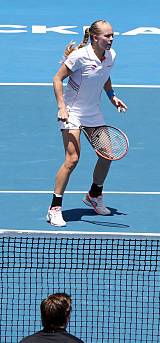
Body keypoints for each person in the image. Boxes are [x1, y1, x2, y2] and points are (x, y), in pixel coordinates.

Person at [48, 19, 128, 227]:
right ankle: (54, 208)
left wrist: (112, 96)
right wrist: (61, 107)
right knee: (72, 159)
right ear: (95, 37)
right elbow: (57, 79)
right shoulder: (79, 57)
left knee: (107, 155)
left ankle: (94, 194)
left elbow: (105, 76)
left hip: (93, 114)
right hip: (72, 113)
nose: (111, 39)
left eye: (112, 35)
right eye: (107, 36)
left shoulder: (111, 56)